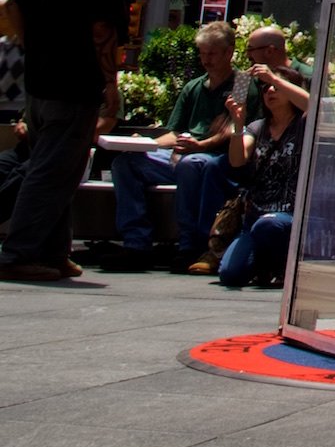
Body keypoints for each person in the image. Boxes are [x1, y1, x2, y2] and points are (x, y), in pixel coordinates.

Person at [0, 0, 128, 281]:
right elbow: (103, 32)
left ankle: (55, 253)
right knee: (50, 173)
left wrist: (30, 44)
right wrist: (111, 89)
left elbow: (12, 6)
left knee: (62, 172)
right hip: (73, 91)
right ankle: (17, 253)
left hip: (39, 91)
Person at [103, 22, 243, 271]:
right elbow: (175, 131)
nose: (206, 60)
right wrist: (147, 145)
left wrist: (199, 145)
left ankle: (189, 245)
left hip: (218, 158)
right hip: (185, 151)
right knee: (125, 163)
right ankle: (137, 243)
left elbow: (233, 129)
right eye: (202, 53)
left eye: (212, 53)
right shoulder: (194, 86)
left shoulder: (242, 83)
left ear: (228, 53)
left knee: (191, 164)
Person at [214, 66, 308, 287]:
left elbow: (313, 105)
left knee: (269, 226)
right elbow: (237, 160)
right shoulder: (257, 127)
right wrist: (238, 124)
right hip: (255, 214)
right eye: (265, 87)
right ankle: (263, 264)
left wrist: (272, 76)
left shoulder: (303, 124)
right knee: (230, 275)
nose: (270, 90)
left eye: (276, 86)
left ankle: (279, 264)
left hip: (287, 215)